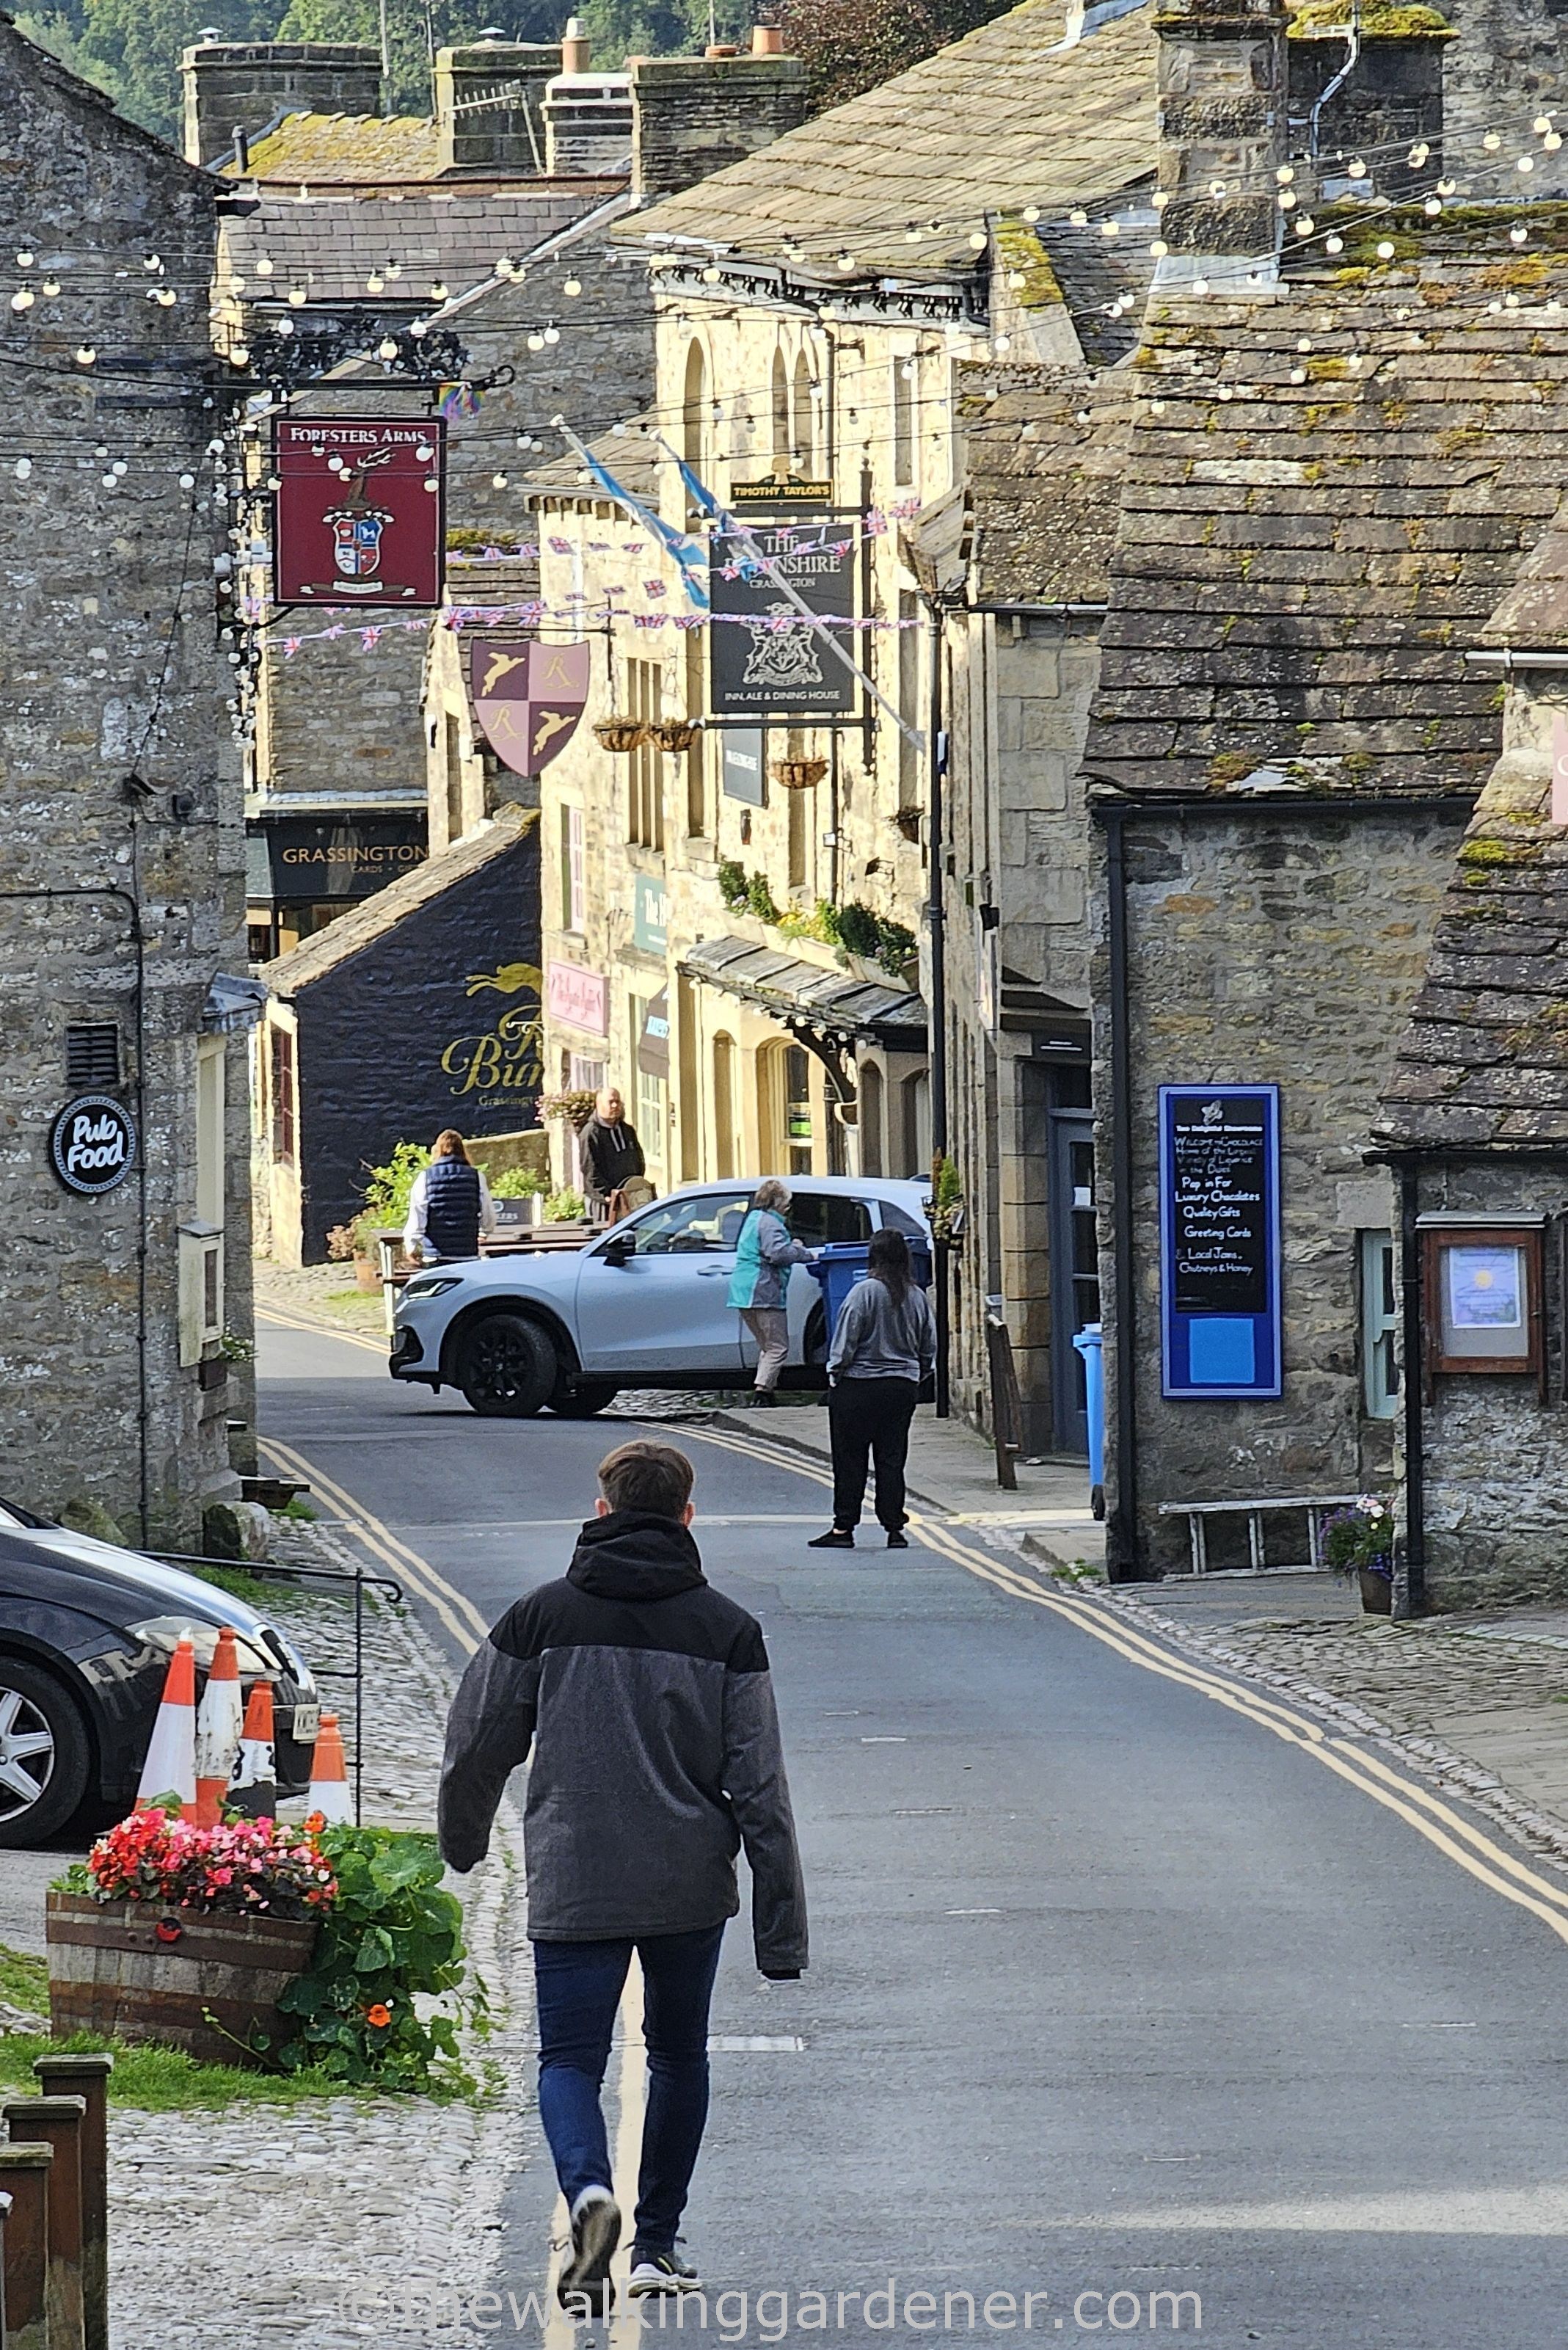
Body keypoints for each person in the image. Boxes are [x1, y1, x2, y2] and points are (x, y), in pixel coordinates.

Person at [437, 1440, 807, 2316]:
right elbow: (761, 1789)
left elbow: (475, 1742)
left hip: (575, 1874)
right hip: (687, 1884)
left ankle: (587, 2195)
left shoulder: (538, 1618)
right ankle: (657, 2246)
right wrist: (780, 1931)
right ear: (687, 1515)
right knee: (678, 2053)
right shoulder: (727, 1629)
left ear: (600, 1510)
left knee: (569, 2058)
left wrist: (463, 1840)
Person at [809, 1226, 936, 1551]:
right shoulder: (917, 1296)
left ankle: (844, 1528)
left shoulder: (863, 1292)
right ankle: (894, 1528)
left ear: (873, 1257)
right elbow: (929, 1346)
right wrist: (916, 1375)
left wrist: (835, 1374)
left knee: (850, 1458)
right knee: (892, 1459)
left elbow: (845, 1340)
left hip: (859, 1386)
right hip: (901, 1387)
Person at [726, 1178, 813, 1405]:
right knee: (778, 1347)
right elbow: (778, 1255)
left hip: (743, 1292)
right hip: (763, 1290)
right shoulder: (771, 1223)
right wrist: (800, 1250)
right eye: (786, 1202)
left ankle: (767, 1391)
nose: (788, 1206)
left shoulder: (753, 1219)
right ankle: (762, 1393)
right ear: (776, 1202)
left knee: (767, 1346)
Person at [402, 1129, 497, 1264]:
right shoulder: (476, 1177)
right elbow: (488, 1214)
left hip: (435, 1255)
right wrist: (484, 1232)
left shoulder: (425, 1177)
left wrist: (411, 1245)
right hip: (467, 1253)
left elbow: (418, 1215)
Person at [578, 1087, 646, 1225]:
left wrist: (635, 1186)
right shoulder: (591, 1133)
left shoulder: (627, 1130)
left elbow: (638, 1159)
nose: (615, 1106)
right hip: (605, 1202)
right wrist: (607, 1196)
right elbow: (590, 1170)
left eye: (618, 1102)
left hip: (629, 1198)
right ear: (599, 1104)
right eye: (611, 1102)